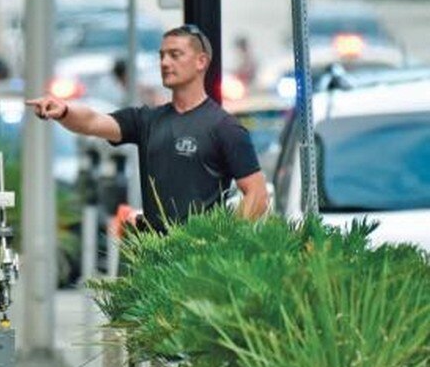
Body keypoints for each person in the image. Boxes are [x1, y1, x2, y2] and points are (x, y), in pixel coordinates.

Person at [28, 24, 268, 232]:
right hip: (153, 263)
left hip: (199, 268)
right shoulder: (147, 120)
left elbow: (257, 195)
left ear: (201, 61)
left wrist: (220, 243)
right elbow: (92, 121)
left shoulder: (224, 127)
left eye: (175, 55)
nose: (165, 62)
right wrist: (65, 111)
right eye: (162, 55)